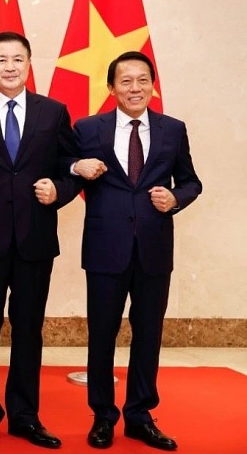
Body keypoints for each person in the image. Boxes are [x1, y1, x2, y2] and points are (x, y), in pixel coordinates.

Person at [0, 32, 79, 450]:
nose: (9, 66)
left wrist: (59, 191)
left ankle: (25, 416)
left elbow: (70, 166)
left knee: (29, 329)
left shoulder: (53, 112)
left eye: (17, 59)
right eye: (1, 60)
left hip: (34, 238)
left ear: (28, 64)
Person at [72, 51, 201, 451]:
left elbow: (192, 182)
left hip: (154, 249)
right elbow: (67, 167)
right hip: (105, 248)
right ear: (111, 88)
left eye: (143, 80)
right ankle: (102, 417)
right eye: (126, 81)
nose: (135, 88)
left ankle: (140, 416)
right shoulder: (88, 128)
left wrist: (175, 198)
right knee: (102, 335)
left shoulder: (172, 130)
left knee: (148, 334)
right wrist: (78, 168)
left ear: (152, 85)